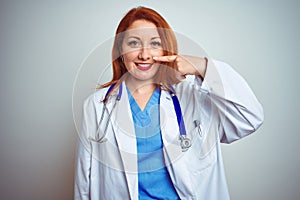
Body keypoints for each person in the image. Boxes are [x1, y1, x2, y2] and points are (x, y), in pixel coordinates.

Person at [74, 6, 264, 200]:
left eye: (154, 43)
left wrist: (203, 67)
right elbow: (84, 180)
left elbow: (250, 118)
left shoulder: (193, 95)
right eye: (133, 43)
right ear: (120, 51)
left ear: (165, 49)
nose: (145, 54)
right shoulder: (97, 105)